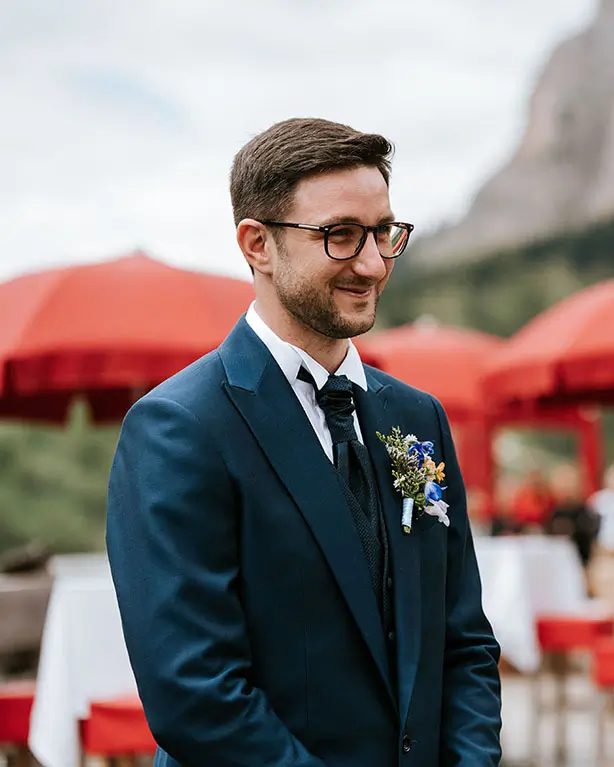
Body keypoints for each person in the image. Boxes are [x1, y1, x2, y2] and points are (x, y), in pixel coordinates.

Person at [105, 118, 502, 766]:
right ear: (256, 244)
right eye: (340, 235)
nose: (373, 263)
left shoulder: (417, 419)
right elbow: (196, 695)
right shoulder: (179, 427)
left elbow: (463, 641)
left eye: (382, 233)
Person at [544, 463, 600, 570]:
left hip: (578, 560)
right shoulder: (554, 510)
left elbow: (588, 535)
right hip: (555, 559)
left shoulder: (583, 510)